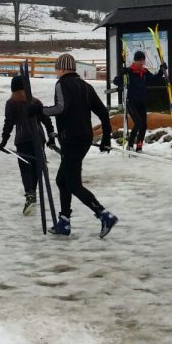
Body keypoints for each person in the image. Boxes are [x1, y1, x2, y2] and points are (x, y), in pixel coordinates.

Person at [36, 53, 118, 238]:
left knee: (72, 184)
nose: (56, 72)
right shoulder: (86, 86)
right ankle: (64, 221)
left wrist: (39, 110)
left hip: (71, 139)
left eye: (57, 68)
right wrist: (106, 138)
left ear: (63, 68)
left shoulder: (62, 84)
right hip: (84, 139)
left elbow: (60, 108)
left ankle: (104, 215)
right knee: (62, 180)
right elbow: (103, 112)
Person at [0, 75, 56, 216]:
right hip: (38, 139)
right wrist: (51, 136)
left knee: (25, 168)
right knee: (36, 167)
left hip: (23, 140)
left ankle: (30, 194)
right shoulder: (35, 102)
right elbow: (46, 120)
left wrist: (4, 141)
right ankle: (32, 194)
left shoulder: (11, 103)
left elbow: (9, 123)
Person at [112, 50, 166, 152]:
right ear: (135, 61)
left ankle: (139, 146)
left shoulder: (144, 72)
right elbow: (116, 81)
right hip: (131, 102)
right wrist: (121, 74)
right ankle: (130, 144)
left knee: (144, 125)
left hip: (141, 102)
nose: (142, 63)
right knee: (138, 123)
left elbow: (153, 80)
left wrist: (161, 71)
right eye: (140, 61)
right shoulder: (128, 71)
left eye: (143, 61)